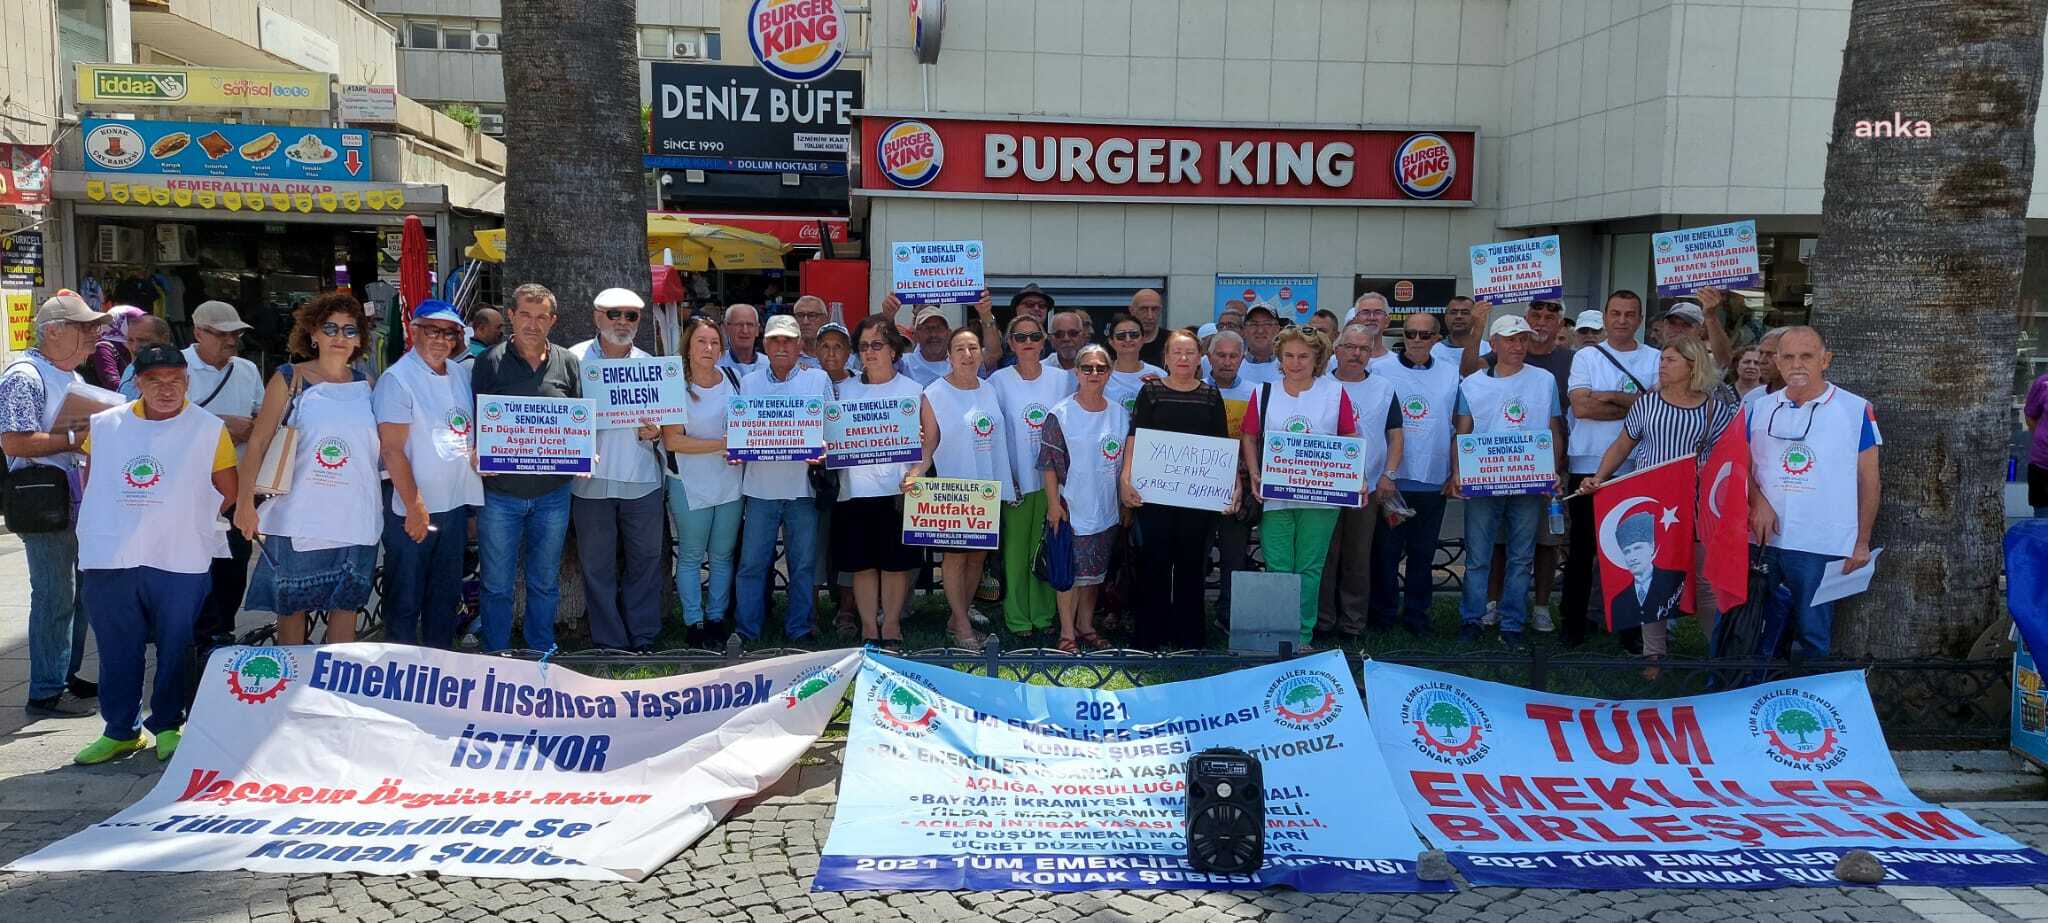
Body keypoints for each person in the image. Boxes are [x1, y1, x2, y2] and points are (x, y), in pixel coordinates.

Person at [72, 342, 237, 764]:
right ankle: (119, 730)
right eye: (155, 381)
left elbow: (228, 489)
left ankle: (167, 724)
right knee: (116, 646)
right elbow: (93, 480)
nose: (167, 390)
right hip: (113, 554)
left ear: (187, 381)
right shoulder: (106, 425)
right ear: (138, 384)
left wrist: (184, 516)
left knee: (176, 642)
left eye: (175, 381)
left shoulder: (207, 427)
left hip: (179, 554)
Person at [1579, 338, 1738, 669]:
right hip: (1652, 504)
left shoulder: (1714, 409)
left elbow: (1727, 459)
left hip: (1694, 509)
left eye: (1670, 360)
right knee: (1653, 583)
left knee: (1706, 582)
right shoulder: (1646, 405)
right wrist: (1599, 476)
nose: (1662, 365)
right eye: (1662, 359)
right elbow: (1622, 445)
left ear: (1692, 365)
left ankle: (1719, 656)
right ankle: (1654, 656)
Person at [235, 292, 380, 646]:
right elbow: (258, 442)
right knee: (293, 609)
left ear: (360, 339)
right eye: (330, 328)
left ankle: (331, 693)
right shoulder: (289, 379)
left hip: (357, 515)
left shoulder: (369, 385)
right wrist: (244, 504)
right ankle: (290, 690)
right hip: (299, 516)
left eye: (349, 330)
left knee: (346, 606)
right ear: (313, 333)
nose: (339, 337)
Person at [3, 292, 108, 717]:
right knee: (54, 594)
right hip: (44, 499)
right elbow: (13, 440)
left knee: (80, 593)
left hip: (73, 496)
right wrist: (73, 439)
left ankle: (64, 674)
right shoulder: (24, 376)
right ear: (55, 331)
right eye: (85, 328)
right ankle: (46, 688)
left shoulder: (72, 377)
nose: (94, 336)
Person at [1747, 327, 1881, 658]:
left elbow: (1869, 480)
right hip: (1764, 541)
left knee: (1812, 635)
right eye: (1788, 357)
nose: (1797, 365)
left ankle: (1807, 703)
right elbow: (1739, 468)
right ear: (1776, 362)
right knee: (1754, 629)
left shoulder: (1854, 409)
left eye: (1806, 356)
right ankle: (1753, 699)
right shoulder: (1758, 408)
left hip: (1820, 544)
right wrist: (1758, 501)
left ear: (1825, 360)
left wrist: (1862, 541)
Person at [470, 283, 582, 653]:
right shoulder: (489, 362)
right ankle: (495, 656)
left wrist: (583, 452)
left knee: (545, 581)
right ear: (511, 317)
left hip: (553, 493)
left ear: (553, 320)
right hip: (501, 493)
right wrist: (475, 452)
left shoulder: (568, 362)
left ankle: (540, 653)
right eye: (525, 315)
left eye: (541, 317)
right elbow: (474, 419)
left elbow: (576, 421)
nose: (533, 324)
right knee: (497, 584)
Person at [1451, 315, 1566, 649]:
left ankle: (1513, 623)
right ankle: (1471, 618)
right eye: (1511, 339)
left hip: (1528, 480)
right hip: (1484, 480)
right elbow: (1462, 432)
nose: (1518, 346)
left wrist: (1553, 469)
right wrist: (1458, 471)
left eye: (1523, 340)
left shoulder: (1543, 380)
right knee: (1478, 556)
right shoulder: (1472, 384)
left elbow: (1553, 428)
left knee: (1521, 555)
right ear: (1495, 343)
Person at [373, 300, 484, 648]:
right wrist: (414, 506)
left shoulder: (459, 373)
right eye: (432, 330)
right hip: (413, 507)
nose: (441, 339)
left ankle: (439, 666)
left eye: (449, 332)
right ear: (414, 331)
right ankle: (398, 669)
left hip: (453, 504)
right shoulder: (397, 380)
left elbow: (462, 432)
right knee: (405, 596)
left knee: (444, 596)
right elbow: (391, 449)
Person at [1239, 326, 1357, 650]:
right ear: (1279, 358)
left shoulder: (1335, 393)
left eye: (1303, 356)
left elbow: (1349, 438)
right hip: (1275, 495)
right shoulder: (1264, 392)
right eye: (1288, 355)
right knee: (1278, 565)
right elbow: (1249, 435)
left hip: (1321, 497)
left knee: (1309, 567)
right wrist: (1254, 472)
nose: (1295, 362)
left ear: (1317, 358)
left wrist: (1353, 475)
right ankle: (1278, 636)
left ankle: (1302, 637)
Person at [569, 288, 667, 653]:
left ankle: (643, 638)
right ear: (597, 316)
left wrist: (656, 432)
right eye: (614, 314)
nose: (622, 322)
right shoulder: (572, 358)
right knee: (597, 567)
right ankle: (609, 641)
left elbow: (665, 425)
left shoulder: (651, 364)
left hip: (642, 480)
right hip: (589, 483)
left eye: (631, 315)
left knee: (645, 561)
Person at [905, 326, 1014, 651]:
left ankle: (958, 615)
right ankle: (962, 627)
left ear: (981, 353)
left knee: (977, 557)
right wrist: (916, 473)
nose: (967, 355)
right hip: (954, 491)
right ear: (949, 356)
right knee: (955, 557)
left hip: (986, 489)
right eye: (960, 349)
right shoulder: (934, 394)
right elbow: (929, 445)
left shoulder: (989, 389)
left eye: (973, 348)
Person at [1562, 290, 1659, 648]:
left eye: (1629, 314)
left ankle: (1630, 630)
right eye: (1615, 313)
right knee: (1582, 551)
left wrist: (1609, 396)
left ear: (1639, 318)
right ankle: (1572, 625)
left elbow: (1658, 406)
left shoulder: (1655, 357)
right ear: (1605, 317)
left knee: (1634, 552)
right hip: (1587, 463)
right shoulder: (1587, 355)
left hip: (1636, 466)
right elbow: (1582, 408)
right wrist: (1636, 405)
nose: (1621, 320)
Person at [1125, 330, 1232, 650]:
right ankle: (1150, 636)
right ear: (1166, 359)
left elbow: (1222, 446)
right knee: (1154, 562)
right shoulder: (1151, 392)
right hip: (1154, 494)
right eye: (1177, 353)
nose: (1184, 359)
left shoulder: (1211, 396)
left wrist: (1229, 488)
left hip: (1197, 499)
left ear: (1200, 358)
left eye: (1190, 353)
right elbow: (1135, 437)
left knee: (1190, 564)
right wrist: (1125, 478)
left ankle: (1189, 637)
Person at [735, 314, 835, 643]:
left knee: (802, 565)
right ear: (765, 344)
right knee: (752, 565)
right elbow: (738, 431)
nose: (781, 346)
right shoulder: (748, 382)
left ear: (800, 346)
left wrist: (824, 449)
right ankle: (747, 631)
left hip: (801, 488)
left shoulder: (818, 380)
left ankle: (800, 629)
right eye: (775, 340)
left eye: (788, 340)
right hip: (760, 488)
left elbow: (832, 431)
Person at [833, 314, 926, 647]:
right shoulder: (842, 390)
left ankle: (892, 626)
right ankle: (869, 627)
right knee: (862, 566)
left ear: (893, 351)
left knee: (895, 565)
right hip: (855, 490)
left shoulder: (913, 391)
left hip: (897, 490)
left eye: (877, 344)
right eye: (863, 346)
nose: (869, 352)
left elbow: (932, 437)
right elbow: (828, 434)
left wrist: (918, 469)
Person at [1368, 311, 1461, 635]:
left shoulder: (1450, 373)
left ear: (1437, 338)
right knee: (1387, 552)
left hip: (1433, 478)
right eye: (1411, 334)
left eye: (1425, 335)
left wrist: (1455, 471)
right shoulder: (1381, 369)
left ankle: (1417, 617)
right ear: (1402, 335)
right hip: (1393, 478)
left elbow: (1456, 425)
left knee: (1423, 553)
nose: (1417, 340)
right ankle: (1383, 615)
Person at [988, 313, 1074, 642]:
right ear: (1010, 343)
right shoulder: (999, 380)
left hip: (1053, 482)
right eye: (1020, 337)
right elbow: (994, 432)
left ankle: (1044, 614)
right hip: (1017, 482)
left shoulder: (1061, 380)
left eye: (1034, 337)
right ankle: (1017, 617)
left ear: (1044, 341)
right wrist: (1006, 479)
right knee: (1016, 551)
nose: (1027, 343)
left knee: (1047, 547)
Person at [184, 300, 263, 653]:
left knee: (234, 562)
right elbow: (155, 420)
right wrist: (221, 427)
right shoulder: (176, 367)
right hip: (189, 489)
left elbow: (263, 414)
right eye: (222, 334)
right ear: (198, 332)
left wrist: (256, 428)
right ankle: (192, 635)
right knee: (194, 564)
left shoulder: (246, 370)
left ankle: (221, 632)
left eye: (236, 334)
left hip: (236, 486)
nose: (231, 341)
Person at [1317, 324, 1404, 643]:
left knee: (1357, 556)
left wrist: (1389, 474)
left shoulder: (1383, 387)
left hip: (1365, 488)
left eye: (1363, 349)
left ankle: (1352, 623)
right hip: (1324, 486)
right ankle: (1323, 620)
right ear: (1336, 350)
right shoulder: (1320, 385)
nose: (1356, 354)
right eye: (1350, 347)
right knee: (1325, 555)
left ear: (1371, 353)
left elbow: (1395, 435)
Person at [662, 317, 744, 646]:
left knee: (722, 555)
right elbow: (673, 441)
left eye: (714, 342)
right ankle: (694, 621)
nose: (708, 348)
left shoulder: (735, 380)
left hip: (729, 481)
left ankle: (716, 618)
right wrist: (722, 444)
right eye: (701, 341)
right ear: (688, 347)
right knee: (693, 554)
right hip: (687, 481)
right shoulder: (675, 387)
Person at [1040, 344, 1126, 653]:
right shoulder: (1060, 414)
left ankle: (1086, 625)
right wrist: (1053, 505)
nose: (1093, 374)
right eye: (1087, 368)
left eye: (1100, 368)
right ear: (1076, 372)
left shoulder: (1119, 413)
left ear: (1109, 373)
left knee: (1094, 576)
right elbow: (1049, 463)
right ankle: (1066, 633)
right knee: (1071, 574)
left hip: (1106, 507)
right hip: (1071, 506)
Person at [1204, 329, 1259, 628]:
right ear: (1209, 356)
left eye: (1233, 355)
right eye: (1220, 355)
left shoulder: (1255, 392)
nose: (1226, 361)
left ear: (1242, 358)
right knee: (1194, 555)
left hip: (1238, 489)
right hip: (1196, 487)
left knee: (1233, 557)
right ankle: (1193, 615)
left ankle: (1227, 617)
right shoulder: (1195, 386)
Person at [1105, 314, 1166, 414]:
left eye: (1134, 335)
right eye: (1121, 336)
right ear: (1111, 341)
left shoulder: (1160, 375)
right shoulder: (1101, 374)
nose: (1128, 339)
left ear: (1143, 339)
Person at [84, 304, 146, 391]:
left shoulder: (129, 345)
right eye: (135, 323)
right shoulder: (103, 348)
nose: (141, 328)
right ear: (122, 323)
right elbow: (113, 385)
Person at [115, 314, 173, 400]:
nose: (134, 348)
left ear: (164, 339)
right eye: (130, 340)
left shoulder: (179, 374)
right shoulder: (130, 369)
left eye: (143, 341)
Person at [903, 305, 954, 385]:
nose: (933, 334)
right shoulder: (904, 364)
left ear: (949, 334)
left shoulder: (962, 363)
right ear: (916, 335)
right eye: (927, 329)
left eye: (939, 328)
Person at [1436, 296, 1492, 365]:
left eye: (1465, 313)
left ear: (1475, 317)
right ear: (1445, 318)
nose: (1458, 316)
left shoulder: (1489, 350)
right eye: (1453, 312)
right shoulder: (1432, 351)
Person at [718, 303, 766, 378]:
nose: (745, 331)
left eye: (750, 325)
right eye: (739, 324)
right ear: (726, 328)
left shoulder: (770, 365)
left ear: (757, 329)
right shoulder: (715, 364)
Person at [1238, 304, 1282, 385]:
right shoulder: (1231, 365)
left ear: (1277, 329)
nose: (1260, 330)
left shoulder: (1290, 367)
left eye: (1267, 324)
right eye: (1254, 324)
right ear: (1244, 330)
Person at [791, 295, 832, 370]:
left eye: (812, 315)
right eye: (800, 315)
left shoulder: (842, 356)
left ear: (825, 319)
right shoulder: (787, 356)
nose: (805, 322)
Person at [1131, 288, 1169, 366]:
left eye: (1155, 309)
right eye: (1143, 309)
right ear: (1132, 311)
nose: (1150, 316)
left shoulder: (1172, 341)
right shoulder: (1119, 343)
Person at [2029, 369, 2048, 518]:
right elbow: (2030, 415)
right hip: (2042, 468)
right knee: (2042, 527)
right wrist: (2042, 438)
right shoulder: (2043, 383)